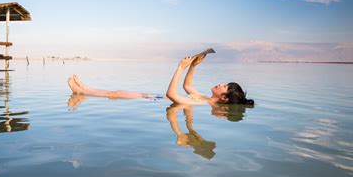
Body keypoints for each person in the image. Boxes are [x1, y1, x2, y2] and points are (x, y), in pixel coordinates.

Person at [67, 51, 254, 106]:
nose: (221, 84)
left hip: (154, 100)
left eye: (225, 86)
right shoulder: (205, 98)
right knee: (116, 91)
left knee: (116, 93)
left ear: (224, 97)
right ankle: (84, 88)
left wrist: (180, 67)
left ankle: (82, 91)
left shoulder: (203, 104)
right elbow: (187, 86)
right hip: (155, 97)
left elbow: (172, 93)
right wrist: (194, 65)